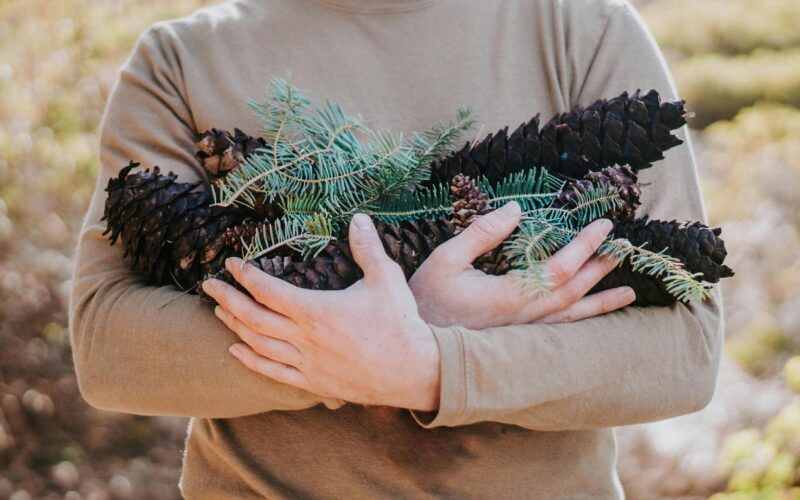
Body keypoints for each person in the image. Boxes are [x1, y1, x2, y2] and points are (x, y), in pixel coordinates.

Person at [69, 0, 724, 497]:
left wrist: (437, 365)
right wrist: (372, 342)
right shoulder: (184, 57)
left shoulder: (583, 28)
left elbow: (684, 347)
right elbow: (107, 346)